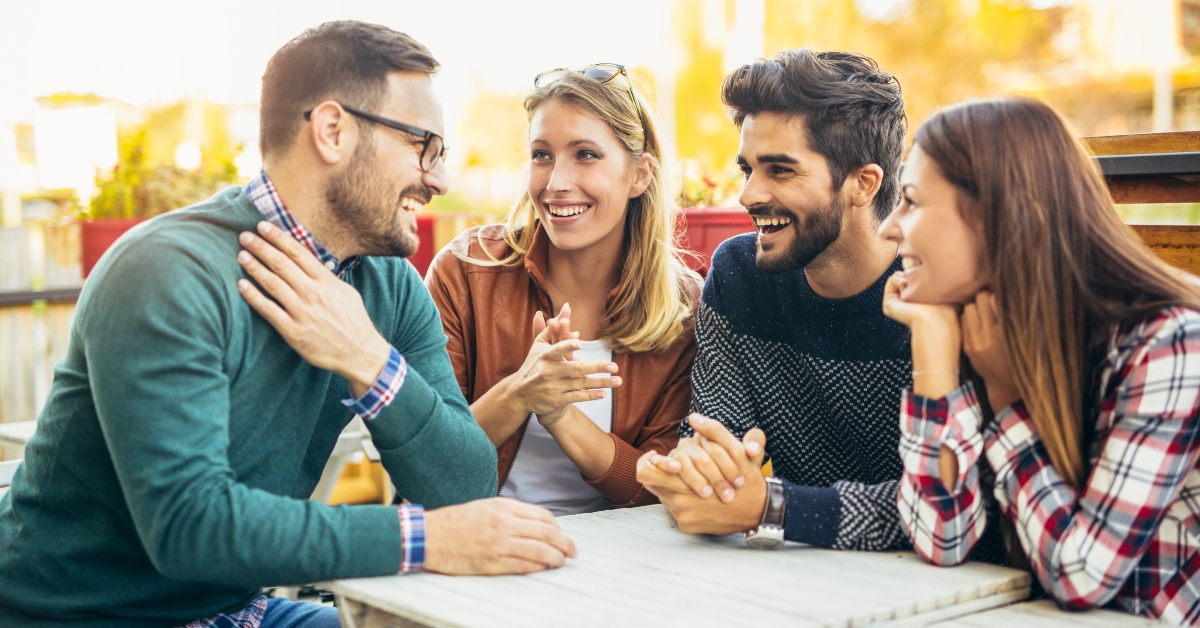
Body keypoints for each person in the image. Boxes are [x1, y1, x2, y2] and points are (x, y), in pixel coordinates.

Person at [0, 22, 575, 628]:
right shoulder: (166, 273)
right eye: (422, 146)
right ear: (332, 131)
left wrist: (368, 360)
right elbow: (188, 526)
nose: (439, 179)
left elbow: (465, 483)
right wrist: (426, 540)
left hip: (235, 612)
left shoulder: (388, 285)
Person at [881, 97, 1200, 624]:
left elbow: (1081, 574)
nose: (888, 229)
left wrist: (1009, 399)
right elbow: (943, 537)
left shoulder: (1169, 344)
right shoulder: (977, 328)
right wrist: (934, 347)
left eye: (911, 202)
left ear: (994, 217)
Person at [637, 49, 918, 552]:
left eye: (780, 171)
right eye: (747, 169)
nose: (747, 195)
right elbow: (715, 435)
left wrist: (776, 507)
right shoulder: (740, 275)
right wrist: (696, 469)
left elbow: (957, 508)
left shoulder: (938, 292)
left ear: (863, 182)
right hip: (793, 580)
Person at [424, 65, 700, 516]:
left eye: (585, 154)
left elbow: (662, 487)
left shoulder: (685, 307)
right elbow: (426, 458)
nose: (555, 183)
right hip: (474, 541)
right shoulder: (465, 271)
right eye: (542, 155)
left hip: (619, 558)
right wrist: (520, 395)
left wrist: (561, 415)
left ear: (640, 175)